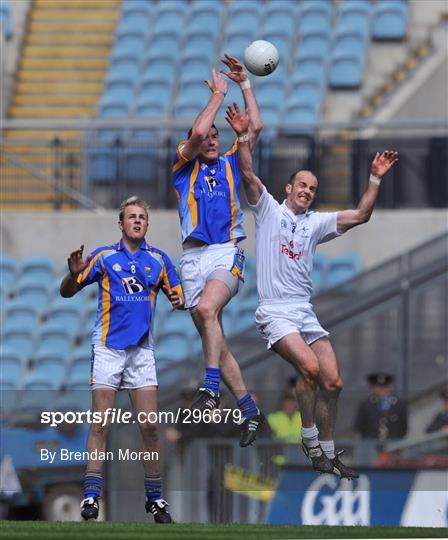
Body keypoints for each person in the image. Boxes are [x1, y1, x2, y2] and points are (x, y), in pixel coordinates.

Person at [225, 102, 399, 478]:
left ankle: (328, 451)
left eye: (313, 188)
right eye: (301, 185)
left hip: (304, 310)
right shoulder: (269, 209)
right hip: (274, 311)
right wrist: (242, 136)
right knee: (308, 367)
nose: (307, 191)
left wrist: (375, 178)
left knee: (333, 381)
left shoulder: (316, 223)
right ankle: (309, 439)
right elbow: (247, 171)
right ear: (289, 187)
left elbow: (361, 215)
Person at [60, 196, 184, 523]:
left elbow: (179, 294)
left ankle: (155, 499)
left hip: (141, 351)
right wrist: (73, 275)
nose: (138, 221)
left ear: (147, 223)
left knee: (150, 426)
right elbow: (66, 291)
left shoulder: (159, 260)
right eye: (132, 216)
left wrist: (178, 299)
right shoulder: (103, 256)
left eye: (143, 216)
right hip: (108, 348)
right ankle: (91, 495)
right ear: (121, 223)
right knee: (101, 423)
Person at [171, 55, 264, 447]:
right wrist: (216, 97)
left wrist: (244, 86)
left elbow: (255, 127)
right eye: (206, 137)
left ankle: (210, 388)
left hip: (225, 252)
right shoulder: (181, 169)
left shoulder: (230, 162)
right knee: (217, 342)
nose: (210, 140)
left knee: (209, 310)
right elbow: (194, 131)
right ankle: (249, 410)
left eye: (215, 137)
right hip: (192, 259)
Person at [354, 373, 407, 441]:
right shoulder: (365, 405)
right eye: (378, 387)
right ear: (372, 388)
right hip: (371, 443)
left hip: (393, 444)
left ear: (390, 387)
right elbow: (359, 426)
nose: (382, 389)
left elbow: (403, 428)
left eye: (385, 386)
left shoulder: (399, 404)